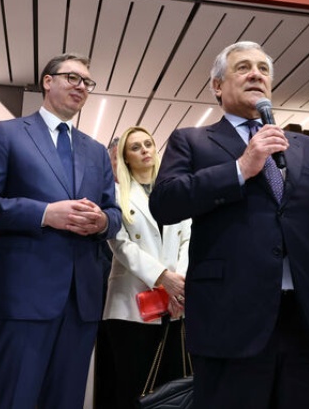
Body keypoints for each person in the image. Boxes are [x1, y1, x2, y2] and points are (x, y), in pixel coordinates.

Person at [149, 41, 309, 409]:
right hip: (230, 317)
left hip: (308, 318)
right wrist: (239, 169)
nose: (256, 74)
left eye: (263, 69)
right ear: (217, 86)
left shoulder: (306, 147)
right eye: (243, 67)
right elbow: (165, 204)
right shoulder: (192, 140)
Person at [0, 53, 122, 408]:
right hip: (21, 295)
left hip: (81, 301)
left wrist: (102, 221)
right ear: (47, 81)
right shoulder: (8, 134)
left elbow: (114, 213)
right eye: (72, 77)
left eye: (87, 82)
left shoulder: (96, 151)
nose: (81, 86)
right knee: (12, 398)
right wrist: (44, 214)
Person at [103, 126, 191, 407]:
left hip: (175, 304)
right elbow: (120, 244)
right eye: (135, 147)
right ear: (125, 158)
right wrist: (163, 277)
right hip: (131, 306)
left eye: (148, 144)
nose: (144, 150)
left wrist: (179, 285)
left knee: (172, 388)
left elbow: (188, 238)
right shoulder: (114, 194)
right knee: (134, 387)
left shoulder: (173, 192)